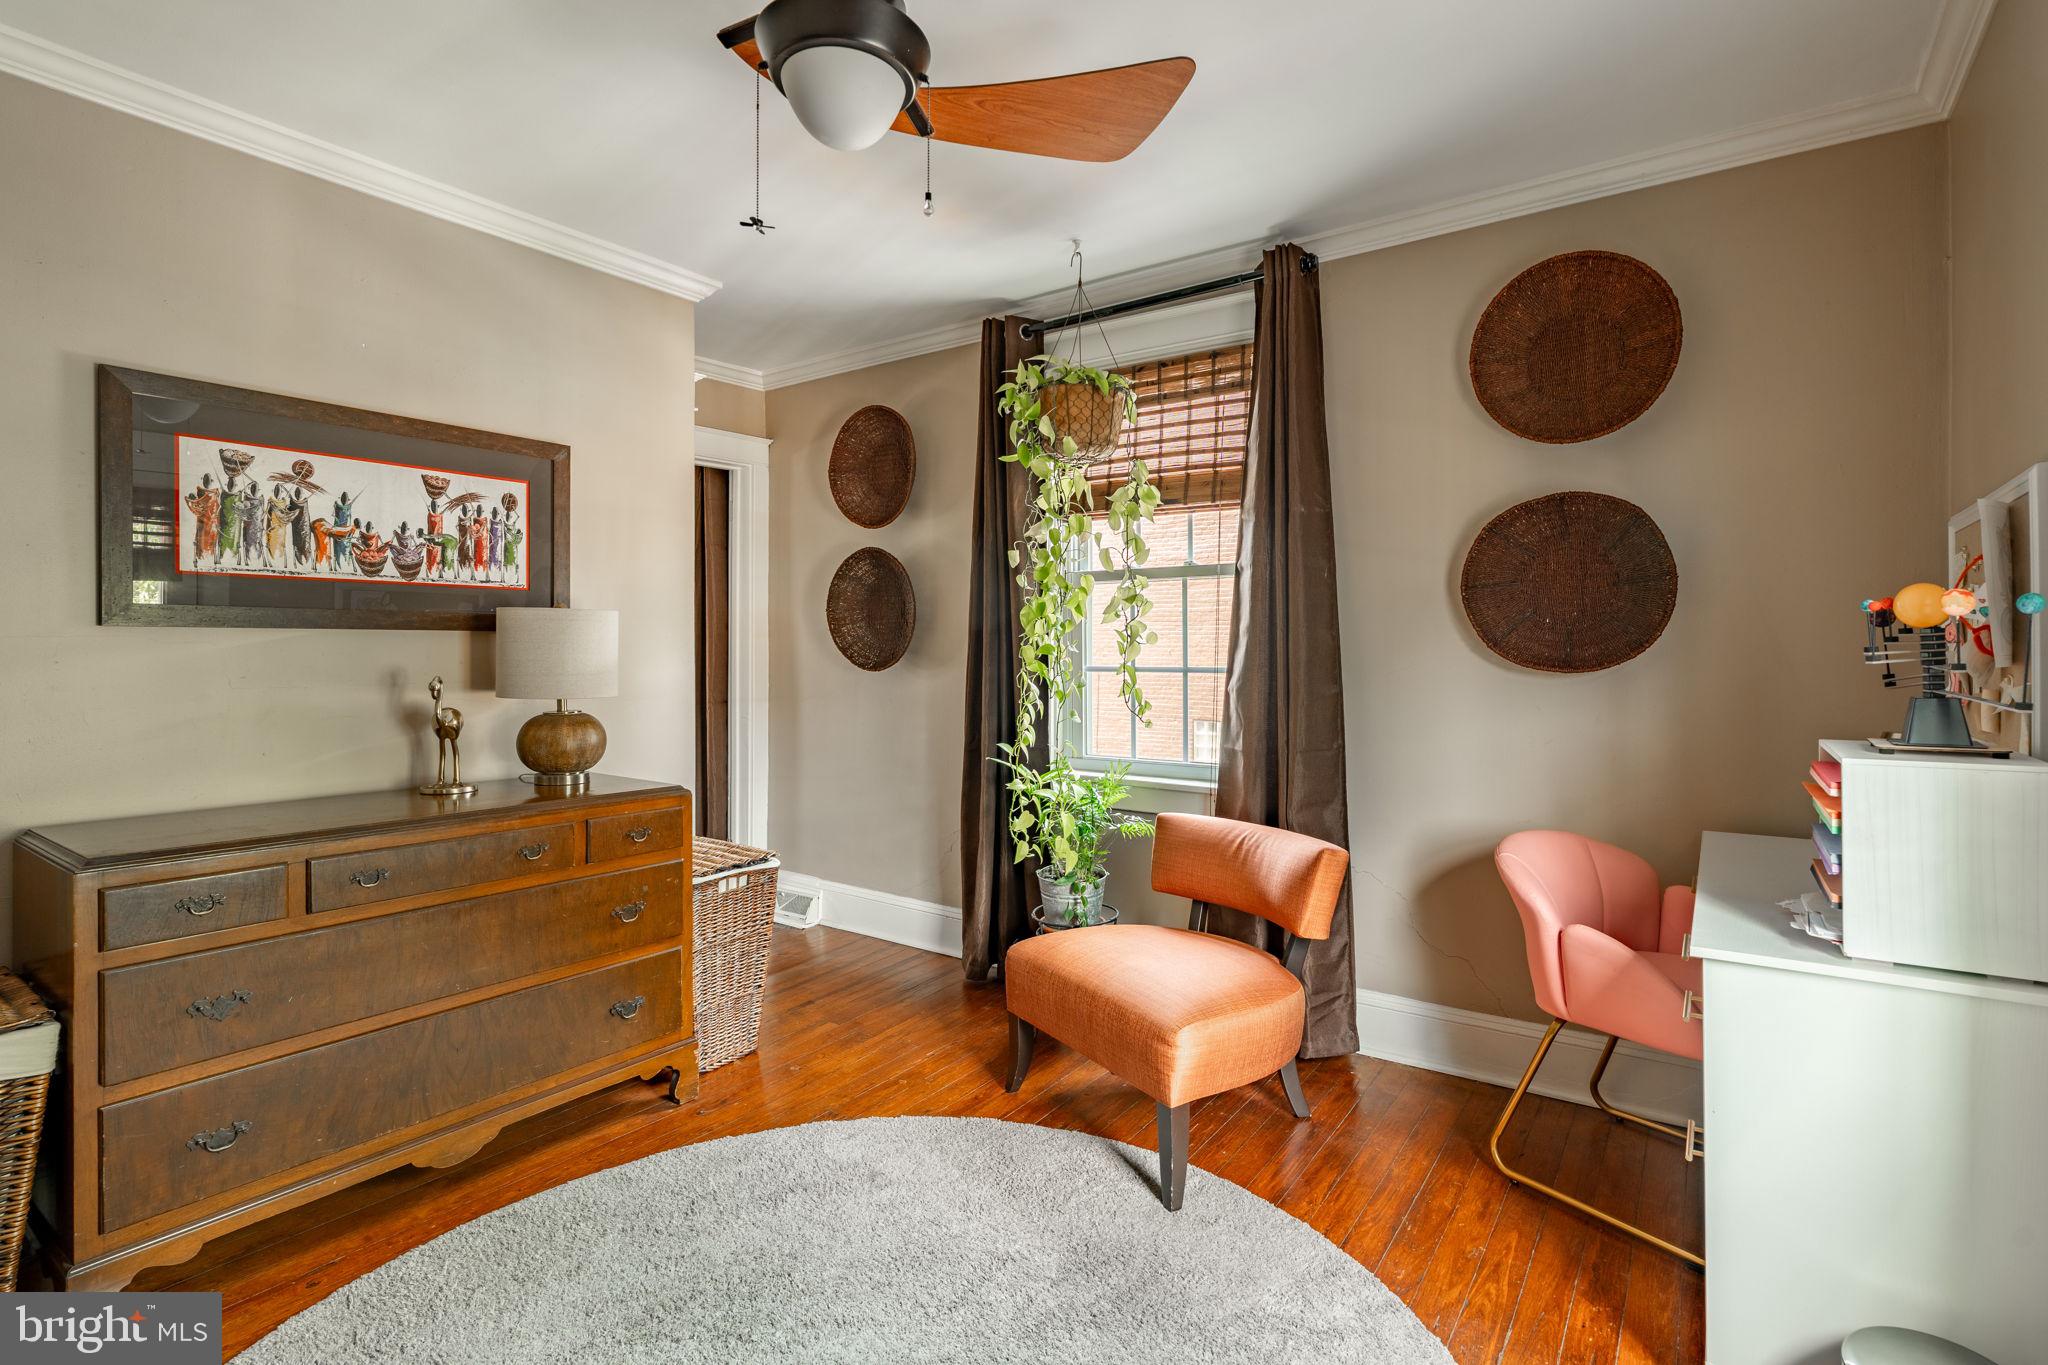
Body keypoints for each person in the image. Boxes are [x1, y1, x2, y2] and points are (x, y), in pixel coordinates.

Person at [185, 473, 221, 567]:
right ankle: (201, 560)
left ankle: (209, 560)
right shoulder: (204, 493)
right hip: (204, 523)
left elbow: (216, 508)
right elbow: (197, 506)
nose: (207, 482)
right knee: (201, 542)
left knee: (210, 543)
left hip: (211, 523)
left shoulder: (214, 494)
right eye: (206, 480)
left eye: (207, 480)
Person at [288, 488, 313, 567]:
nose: (298, 495)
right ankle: (298, 561)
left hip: (305, 527)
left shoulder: (304, 502)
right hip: (296, 528)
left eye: (299, 493)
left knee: (306, 543)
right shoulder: (294, 502)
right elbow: (290, 511)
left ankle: (307, 558)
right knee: (297, 544)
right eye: (297, 493)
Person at [487, 508, 504, 584]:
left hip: (499, 542)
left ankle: (499, 576)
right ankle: (490, 576)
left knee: (498, 557)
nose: (494, 514)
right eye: (493, 513)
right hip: (492, 542)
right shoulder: (491, 521)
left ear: (498, 514)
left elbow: (502, 533)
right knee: (491, 557)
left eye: (496, 513)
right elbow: (489, 530)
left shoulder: (501, 522)